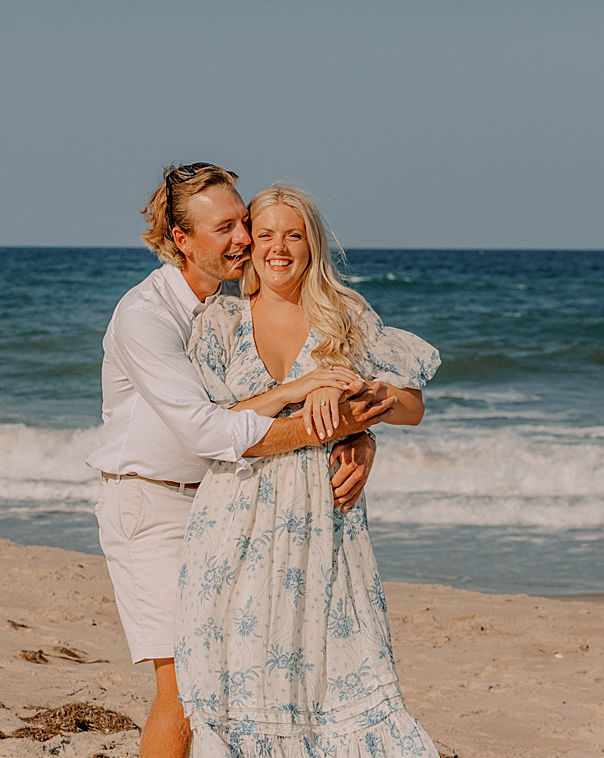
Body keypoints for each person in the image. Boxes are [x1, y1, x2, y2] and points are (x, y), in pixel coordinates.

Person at [88, 163, 399, 758]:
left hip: (217, 506)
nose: (245, 240)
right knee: (184, 689)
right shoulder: (145, 316)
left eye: (245, 224)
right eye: (226, 228)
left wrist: (360, 436)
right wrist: (318, 410)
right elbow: (210, 429)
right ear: (182, 239)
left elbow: (362, 386)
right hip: (149, 503)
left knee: (234, 681)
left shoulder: (231, 305)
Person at [175, 185, 439, 756]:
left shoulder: (344, 316)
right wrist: (298, 391)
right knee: (238, 683)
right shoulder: (220, 321)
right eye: (265, 233)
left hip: (325, 523)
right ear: (248, 244)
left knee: (334, 681)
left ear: (310, 243)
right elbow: (211, 429)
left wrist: (366, 407)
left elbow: (413, 407)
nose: (278, 247)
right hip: (233, 526)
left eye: (292, 234)